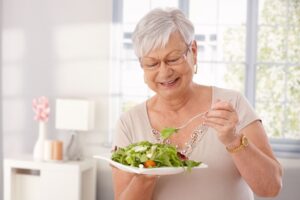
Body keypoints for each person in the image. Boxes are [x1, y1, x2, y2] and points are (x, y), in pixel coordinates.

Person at [112, 8, 282, 200]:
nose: (164, 72)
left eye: (173, 59)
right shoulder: (129, 123)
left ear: (193, 51)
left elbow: (271, 188)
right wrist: (146, 173)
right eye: (152, 63)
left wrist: (233, 140)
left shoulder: (232, 105)